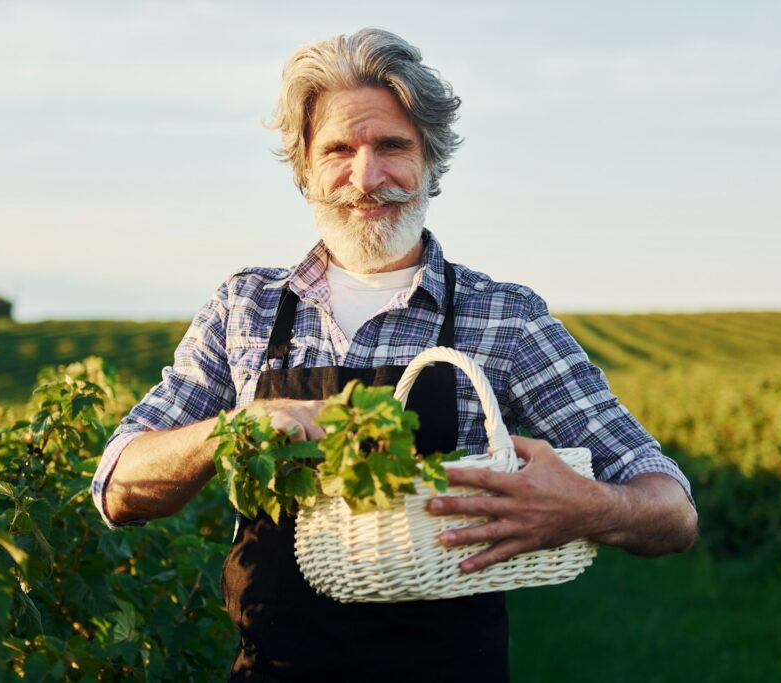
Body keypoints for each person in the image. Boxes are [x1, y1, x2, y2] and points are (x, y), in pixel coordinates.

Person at [91, 27, 697, 682]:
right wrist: (232, 432)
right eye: (338, 150)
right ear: (305, 171)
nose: (366, 176)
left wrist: (586, 506)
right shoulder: (248, 309)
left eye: (391, 146)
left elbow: (671, 505)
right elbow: (118, 484)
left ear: (431, 160)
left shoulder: (504, 317)